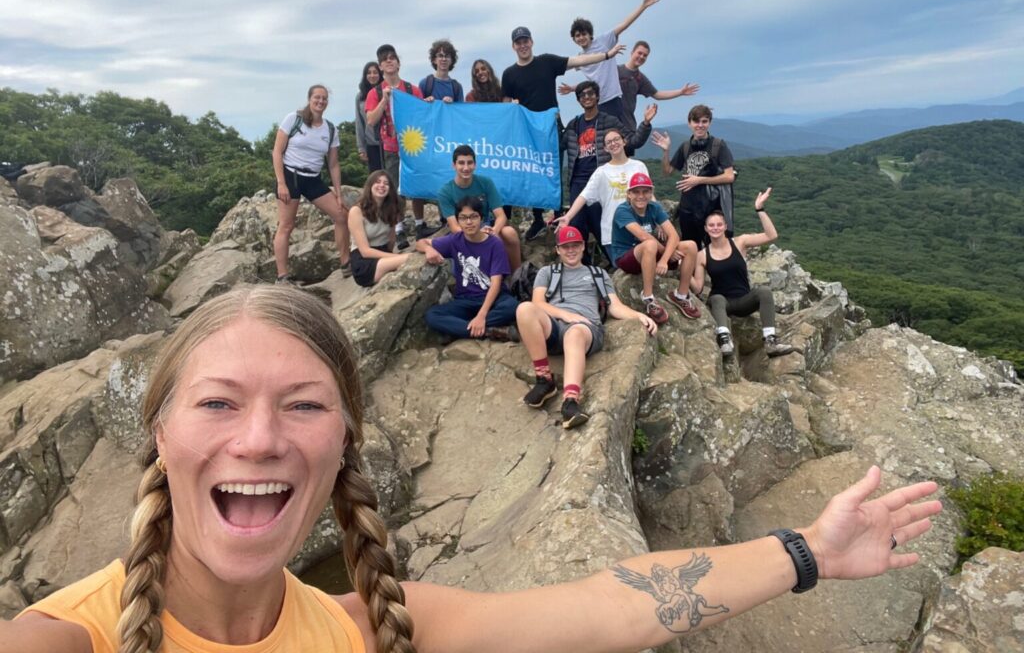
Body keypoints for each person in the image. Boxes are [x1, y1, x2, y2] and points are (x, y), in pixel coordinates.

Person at [7, 284, 942, 652]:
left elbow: (619, 604)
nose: (259, 439)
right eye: (217, 402)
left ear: (342, 445)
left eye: (304, 404)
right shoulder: (58, 643)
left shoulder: (368, 626)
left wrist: (810, 550)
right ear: (159, 436)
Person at [516, 225, 658, 429]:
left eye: (575, 245)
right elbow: (538, 303)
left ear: (583, 246)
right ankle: (544, 380)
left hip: (586, 329)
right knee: (524, 309)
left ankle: (571, 401)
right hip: (555, 326)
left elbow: (614, 306)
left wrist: (638, 316)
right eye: (565, 247)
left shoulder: (598, 273)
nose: (571, 250)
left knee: (574, 333)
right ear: (557, 249)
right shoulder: (548, 272)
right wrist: (567, 315)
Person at [502, 25, 625, 241]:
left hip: (551, 127)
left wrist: (607, 55)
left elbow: (577, 61)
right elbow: (505, 104)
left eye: (525, 41)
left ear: (531, 42)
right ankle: (538, 218)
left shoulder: (547, 62)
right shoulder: (509, 74)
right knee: (532, 172)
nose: (522, 45)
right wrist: (511, 105)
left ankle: (558, 213)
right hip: (527, 131)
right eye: (518, 42)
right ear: (514, 46)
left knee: (554, 170)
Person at [694, 188, 795, 358]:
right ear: (706, 228)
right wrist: (684, 267)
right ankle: (725, 340)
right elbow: (697, 287)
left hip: (743, 300)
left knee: (764, 292)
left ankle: (770, 341)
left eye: (719, 224)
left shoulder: (740, 243)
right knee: (716, 298)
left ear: (726, 226)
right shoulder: (702, 255)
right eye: (711, 225)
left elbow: (771, 235)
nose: (716, 228)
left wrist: (759, 209)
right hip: (722, 303)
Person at [560, 80, 655, 254]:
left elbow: (632, 141)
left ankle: (613, 261)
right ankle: (584, 265)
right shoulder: (574, 124)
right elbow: (559, 145)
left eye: (590, 93)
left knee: (600, 222)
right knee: (577, 223)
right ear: (579, 100)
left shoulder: (609, 121)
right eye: (582, 95)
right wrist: (556, 123)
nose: (587, 97)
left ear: (597, 96)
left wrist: (645, 124)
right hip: (578, 180)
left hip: (602, 178)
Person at [271, 84, 351, 283]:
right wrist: (281, 183)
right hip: (291, 176)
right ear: (309, 99)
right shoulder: (294, 119)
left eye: (324, 98)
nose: (320, 101)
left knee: (342, 215)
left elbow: (333, 164)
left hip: (313, 178)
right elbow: (277, 152)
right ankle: (282, 276)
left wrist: (339, 194)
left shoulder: (330, 129)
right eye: (317, 97)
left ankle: (346, 263)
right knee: (286, 226)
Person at [364, 44, 440, 249]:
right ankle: (398, 230)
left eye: (393, 58)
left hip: (413, 145)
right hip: (390, 147)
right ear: (380, 66)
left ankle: (419, 224)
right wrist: (384, 100)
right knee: (394, 189)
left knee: (416, 186)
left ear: (398, 62)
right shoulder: (375, 92)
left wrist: (429, 103)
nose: (389, 61)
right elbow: (371, 119)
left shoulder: (411, 89)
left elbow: (423, 115)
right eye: (385, 59)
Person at [417, 196, 520, 341]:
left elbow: (496, 283)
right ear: (458, 221)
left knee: (513, 307)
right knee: (432, 315)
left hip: (493, 298)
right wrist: (428, 250)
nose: (469, 222)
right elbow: (420, 242)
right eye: (463, 218)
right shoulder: (454, 240)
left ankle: (458, 329)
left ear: (481, 218)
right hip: (466, 300)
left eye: (473, 217)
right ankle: (490, 331)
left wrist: (482, 315)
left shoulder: (494, 244)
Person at [556, 0, 663, 124]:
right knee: (600, 139)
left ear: (590, 34)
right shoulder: (580, 59)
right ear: (574, 39)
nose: (581, 38)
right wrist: (572, 88)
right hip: (595, 102)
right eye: (577, 36)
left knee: (614, 136)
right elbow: (593, 77)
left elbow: (624, 24)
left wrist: (643, 6)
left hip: (612, 99)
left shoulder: (603, 41)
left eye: (584, 34)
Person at [553, 127, 654, 265]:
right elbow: (584, 196)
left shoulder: (639, 166)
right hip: (613, 234)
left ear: (624, 141)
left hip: (642, 228)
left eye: (616, 139)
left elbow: (650, 195)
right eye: (609, 142)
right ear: (605, 148)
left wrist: (659, 221)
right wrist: (568, 217)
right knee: (624, 273)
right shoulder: (601, 172)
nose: (613, 143)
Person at [609, 173, 701, 324]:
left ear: (651, 193)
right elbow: (644, 237)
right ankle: (649, 298)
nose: (641, 196)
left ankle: (681, 295)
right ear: (629, 194)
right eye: (636, 192)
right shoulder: (622, 211)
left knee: (690, 246)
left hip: (650, 253)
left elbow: (674, 236)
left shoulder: (654, 207)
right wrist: (667, 254)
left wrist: (664, 259)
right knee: (650, 243)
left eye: (645, 191)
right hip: (626, 256)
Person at [652, 104, 736, 250]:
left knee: (715, 249)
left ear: (710, 122)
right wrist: (666, 151)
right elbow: (667, 172)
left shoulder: (718, 145)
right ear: (689, 123)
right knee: (691, 248)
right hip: (688, 207)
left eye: (704, 121)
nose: (700, 125)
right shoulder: (685, 147)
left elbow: (729, 176)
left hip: (712, 207)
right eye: (696, 121)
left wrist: (699, 180)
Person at [437, 145, 521, 271]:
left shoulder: (485, 183)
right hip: (463, 230)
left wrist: (494, 231)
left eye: (470, 163)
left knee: (509, 233)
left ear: (475, 165)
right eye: (461, 163)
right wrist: (478, 235)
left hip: (486, 225)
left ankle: (517, 277)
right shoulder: (445, 191)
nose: (466, 168)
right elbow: (455, 227)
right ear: (454, 165)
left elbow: (501, 215)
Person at [618, 40, 701, 132]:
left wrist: (680, 92)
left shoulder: (640, 79)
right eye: (639, 53)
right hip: (608, 126)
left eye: (645, 55)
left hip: (628, 127)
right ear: (632, 53)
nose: (641, 57)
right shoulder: (615, 71)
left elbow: (657, 94)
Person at [347, 170, 410, 288]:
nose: (382, 185)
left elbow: (391, 240)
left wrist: (392, 256)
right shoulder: (356, 211)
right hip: (364, 261)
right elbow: (365, 251)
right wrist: (398, 258)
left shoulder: (391, 209)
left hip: (384, 253)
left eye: (386, 183)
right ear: (370, 186)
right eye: (378, 182)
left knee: (411, 260)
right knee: (409, 259)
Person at [355, 62, 385, 173]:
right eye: (369, 73)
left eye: (375, 72)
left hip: (388, 143)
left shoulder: (387, 92)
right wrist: (361, 147)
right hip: (371, 143)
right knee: (376, 177)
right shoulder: (360, 96)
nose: (372, 75)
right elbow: (359, 122)